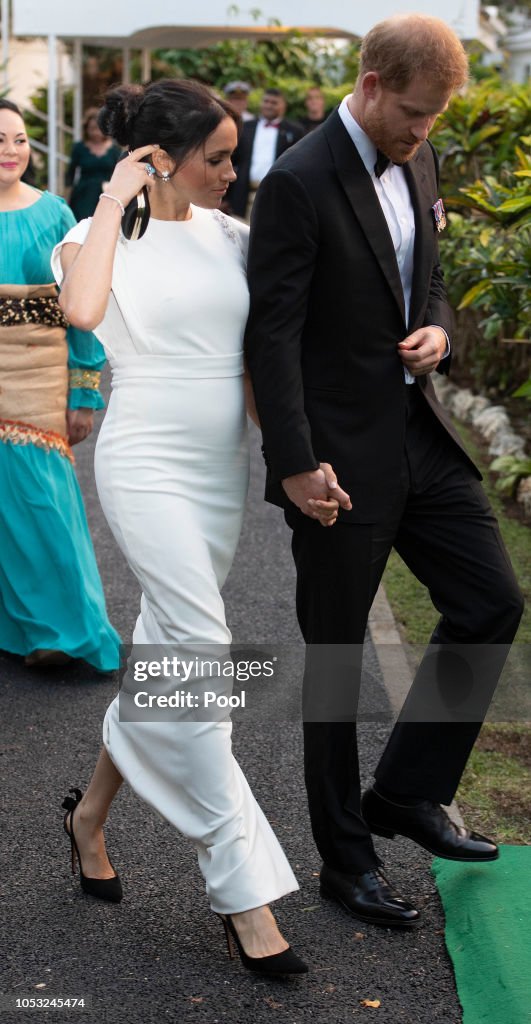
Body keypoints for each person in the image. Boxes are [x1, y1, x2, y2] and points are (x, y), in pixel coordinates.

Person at [244, 14, 524, 929]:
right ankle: (344, 861)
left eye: (434, 118)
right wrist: (293, 464)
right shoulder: (296, 181)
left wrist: (436, 327)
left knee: (489, 601)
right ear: (368, 83)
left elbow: (426, 275)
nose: (421, 132)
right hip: (336, 462)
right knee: (334, 663)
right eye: (411, 113)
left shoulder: (422, 157)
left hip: (420, 436)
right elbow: (272, 337)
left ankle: (405, 793)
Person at [53, 79, 325, 976]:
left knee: (174, 655)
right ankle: (242, 892)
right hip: (144, 461)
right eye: (216, 157)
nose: (231, 172)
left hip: (218, 473)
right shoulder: (90, 242)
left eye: (233, 155)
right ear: (163, 158)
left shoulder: (236, 237)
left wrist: (291, 462)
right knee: (202, 647)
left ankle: (90, 814)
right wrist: (110, 196)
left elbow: (258, 364)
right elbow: (83, 315)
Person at [0, 98, 121, 672]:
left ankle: (71, 632)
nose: (10, 150)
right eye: (0, 139)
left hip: (38, 386)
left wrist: (83, 395)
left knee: (43, 506)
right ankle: (18, 631)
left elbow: (83, 314)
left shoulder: (54, 215)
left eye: (20, 139)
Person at [225, 88, 304, 220]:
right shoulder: (245, 127)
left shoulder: (295, 131)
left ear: (283, 105)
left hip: (277, 196)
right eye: (266, 101)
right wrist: (227, 197)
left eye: (274, 102)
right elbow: (232, 160)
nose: (268, 105)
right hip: (243, 195)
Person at [67, 107, 122, 220]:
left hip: (106, 194)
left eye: (98, 128)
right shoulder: (79, 147)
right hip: (83, 196)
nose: (95, 132)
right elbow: (70, 173)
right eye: (91, 128)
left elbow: (119, 175)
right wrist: (66, 196)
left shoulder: (115, 150)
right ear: (86, 129)